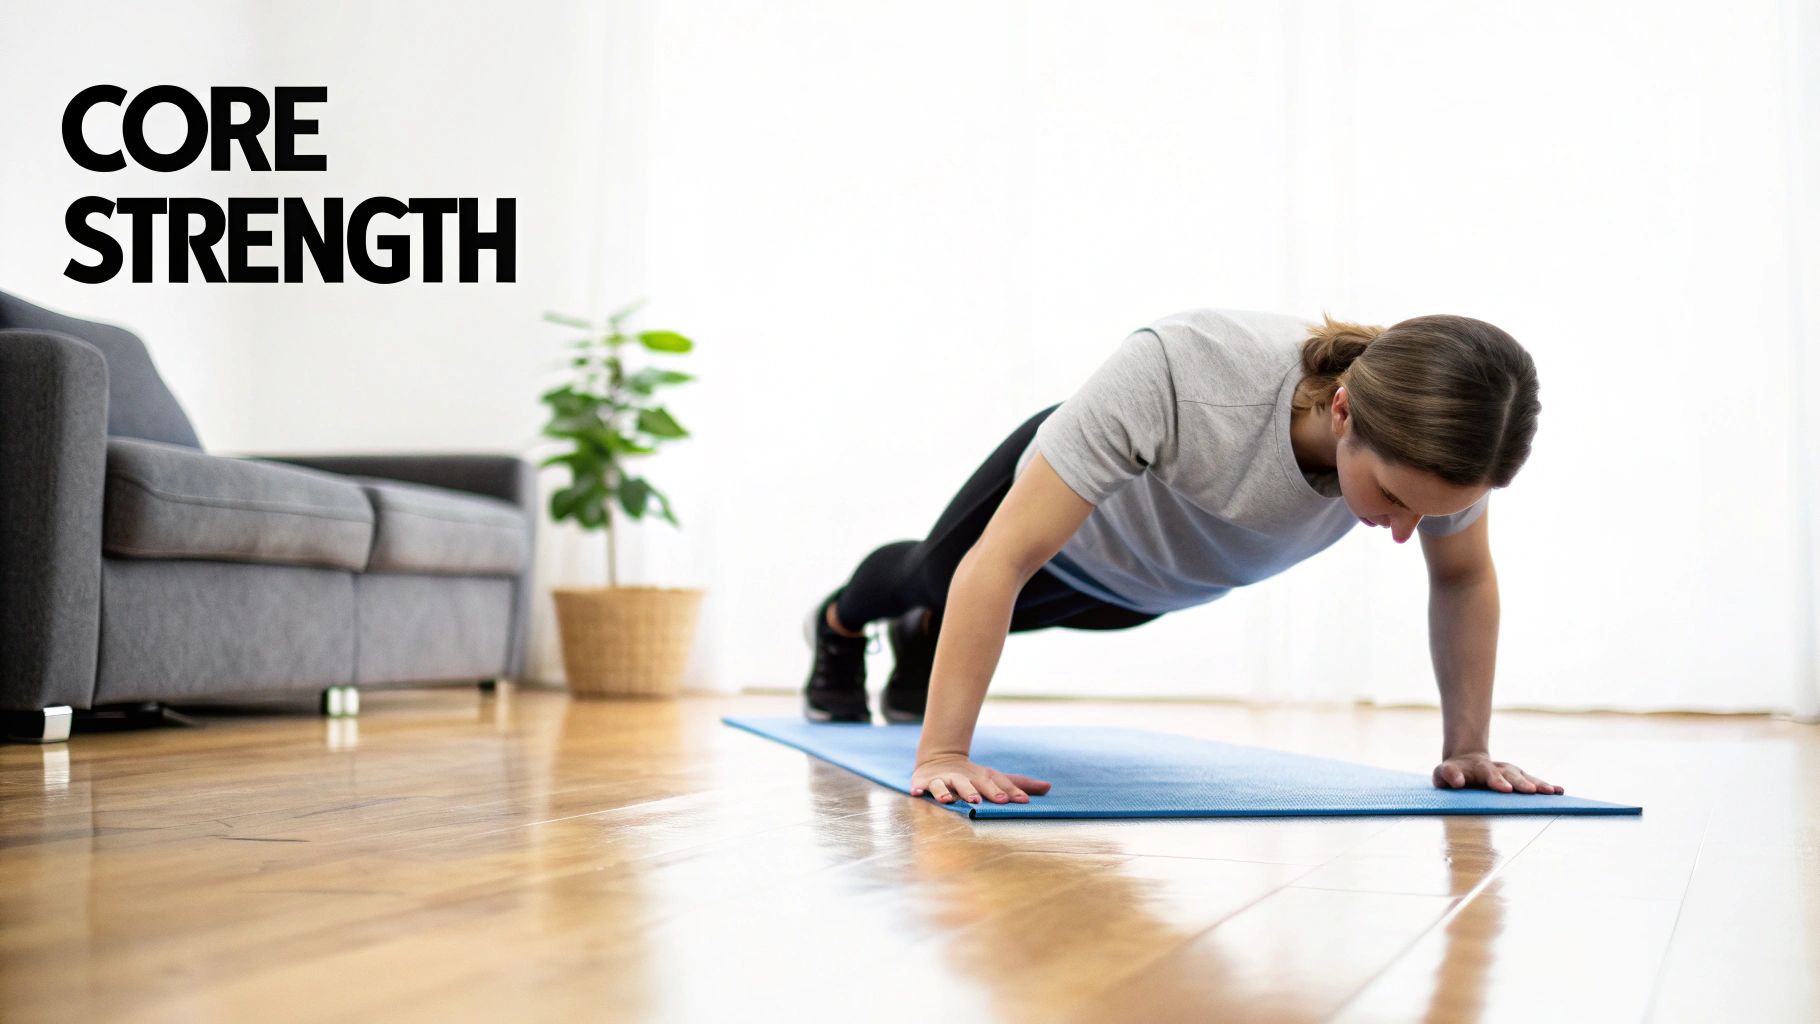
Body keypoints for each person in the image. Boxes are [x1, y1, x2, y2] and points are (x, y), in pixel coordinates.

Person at [801, 307, 1564, 807]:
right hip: (1062, 521)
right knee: (936, 577)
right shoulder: (1186, 371)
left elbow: (1461, 577)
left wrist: (1469, 749)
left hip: (1148, 585)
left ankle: (921, 642)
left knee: (999, 616)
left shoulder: (1448, 445)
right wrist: (941, 754)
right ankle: (839, 626)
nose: (1404, 531)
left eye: (1423, 514)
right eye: (1393, 499)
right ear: (1342, 412)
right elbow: (1000, 561)